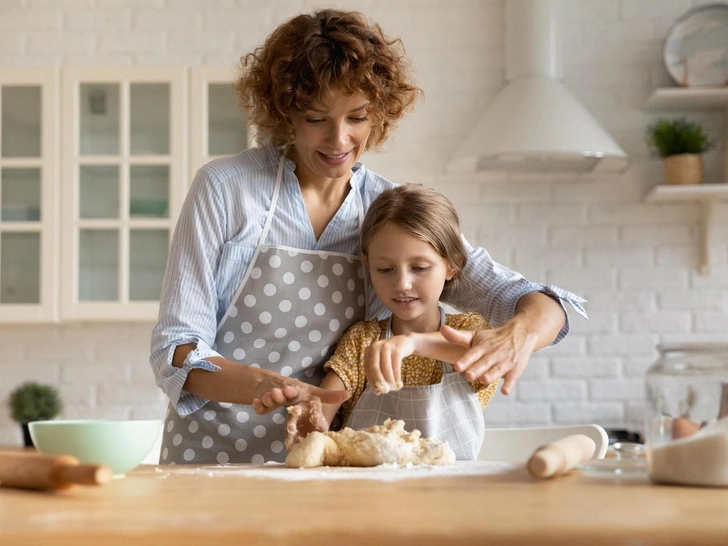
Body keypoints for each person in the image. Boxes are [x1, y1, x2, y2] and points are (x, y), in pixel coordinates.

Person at [149, 9, 587, 465]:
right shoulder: (226, 189)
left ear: (379, 112)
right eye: (317, 118)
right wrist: (266, 385)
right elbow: (176, 348)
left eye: (357, 117)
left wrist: (519, 333)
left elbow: (533, 300)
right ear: (285, 113)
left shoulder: (387, 212)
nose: (340, 140)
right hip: (212, 454)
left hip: (330, 462)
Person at [284, 184, 500, 460]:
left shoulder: (469, 330)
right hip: (370, 498)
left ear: (451, 264)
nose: (402, 284)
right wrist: (310, 420)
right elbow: (323, 410)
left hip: (450, 496)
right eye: (385, 269)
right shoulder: (362, 341)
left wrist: (413, 343)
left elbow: (484, 354)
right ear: (368, 264)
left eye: (419, 268)